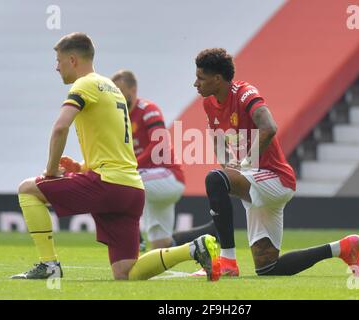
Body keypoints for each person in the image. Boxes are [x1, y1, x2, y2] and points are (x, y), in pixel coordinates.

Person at [11, 32, 220, 281]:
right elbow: (114, 144)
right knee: (126, 272)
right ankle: (192, 249)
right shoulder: (112, 89)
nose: (57, 67)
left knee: (27, 190)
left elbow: (60, 127)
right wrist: (81, 166)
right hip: (130, 189)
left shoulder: (84, 84)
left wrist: (51, 170)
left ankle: (49, 265)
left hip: (108, 184)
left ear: (73, 59)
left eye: (59, 60)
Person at [192, 48, 359, 277]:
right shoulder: (209, 104)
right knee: (268, 268)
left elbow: (269, 127)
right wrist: (229, 165)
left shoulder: (244, 93)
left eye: (200, 78)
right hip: (255, 180)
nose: (196, 84)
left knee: (215, 179)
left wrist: (244, 164)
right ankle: (343, 248)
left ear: (217, 79)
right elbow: (218, 142)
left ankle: (227, 262)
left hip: (274, 178)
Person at [111, 70, 218, 250]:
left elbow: (159, 144)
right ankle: (212, 231)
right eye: (114, 93)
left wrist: (131, 166)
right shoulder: (119, 118)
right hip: (151, 184)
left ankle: (134, 236)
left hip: (167, 176)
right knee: (160, 246)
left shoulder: (147, 110)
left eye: (120, 91)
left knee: (120, 181)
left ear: (133, 89)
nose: (118, 96)